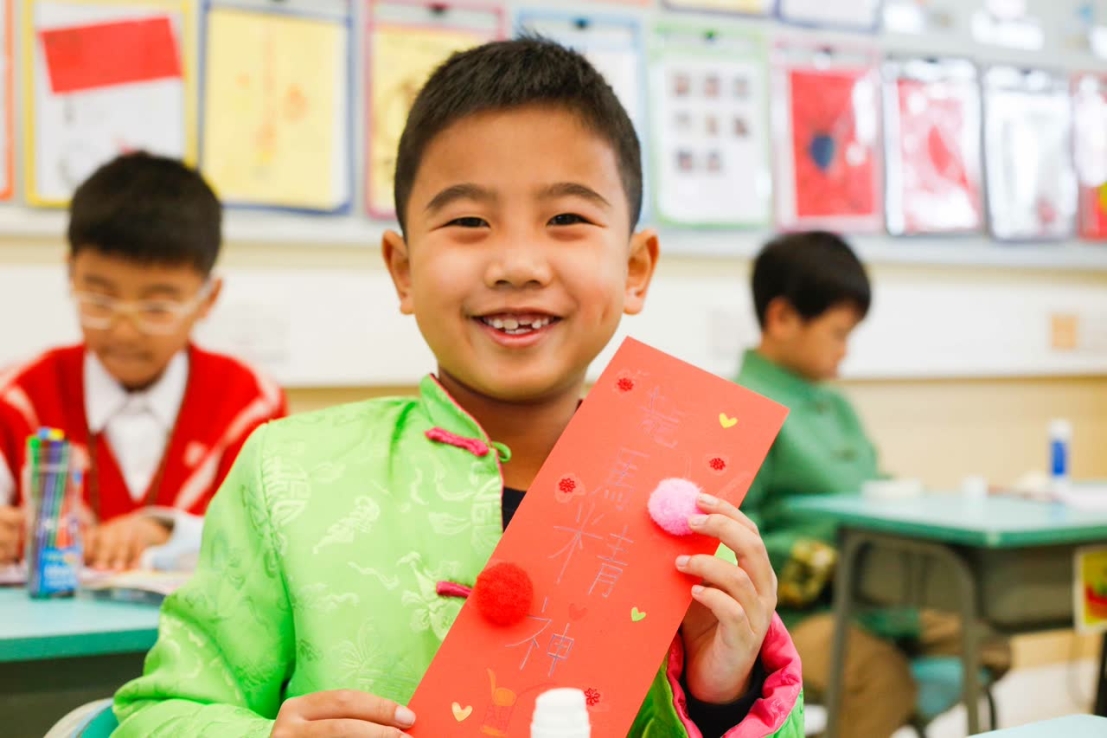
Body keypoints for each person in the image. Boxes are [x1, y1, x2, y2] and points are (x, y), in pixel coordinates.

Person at [111, 38, 803, 737]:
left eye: (565, 219)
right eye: (469, 221)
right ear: (403, 269)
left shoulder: (685, 502)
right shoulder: (285, 474)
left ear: (635, 268)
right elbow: (153, 716)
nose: (516, 264)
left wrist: (725, 694)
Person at [737, 231, 1009, 737]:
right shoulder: (741, 409)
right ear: (782, 318)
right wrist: (821, 561)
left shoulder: (836, 406)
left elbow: (876, 489)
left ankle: (871, 719)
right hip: (796, 614)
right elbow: (731, 536)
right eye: (839, 334)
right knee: (880, 679)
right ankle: (879, 708)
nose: (846, 351)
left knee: (987, 640)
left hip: (877, 601)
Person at [0, 152, 287, 571]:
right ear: (70, 275)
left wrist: (169, 534)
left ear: (208, 298)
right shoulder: (17, 397)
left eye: (157, 308)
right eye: (99, 300)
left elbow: (270, 540)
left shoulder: (250, 404)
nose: (124, 332)